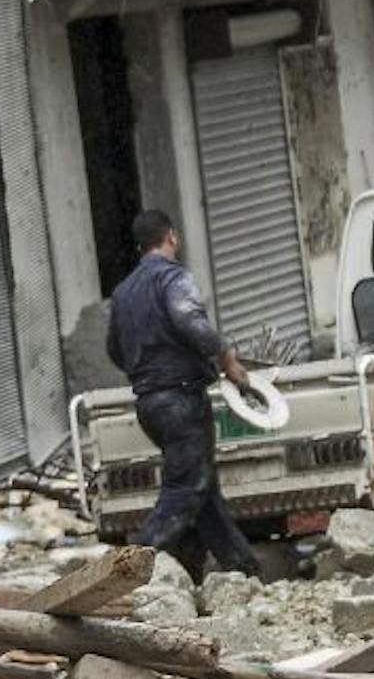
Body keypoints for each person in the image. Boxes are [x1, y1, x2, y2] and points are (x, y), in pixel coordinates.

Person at [106, 209, 261, 578]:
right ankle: (128, 569)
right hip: (181, 400)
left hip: (149, 404)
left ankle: (244, 572)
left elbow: (114, 348)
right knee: (185, 487)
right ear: (171, 237)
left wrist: (146, 371)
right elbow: (192, 323)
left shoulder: (123, 292)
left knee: (202, 490)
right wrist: (228, 361)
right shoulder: (173, 279)